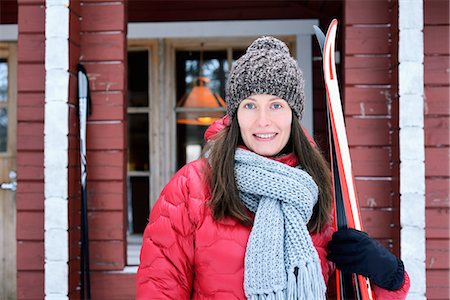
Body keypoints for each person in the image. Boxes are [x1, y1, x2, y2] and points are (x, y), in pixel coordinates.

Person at [136, 36, 410, 299]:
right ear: (235, 114)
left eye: (276, 105)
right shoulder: (192, 186)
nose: (263, 121)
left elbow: (348, 291)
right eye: (250, 105)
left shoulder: (318, 188)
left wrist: (388, 276)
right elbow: (160, 289)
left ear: (293, 114)